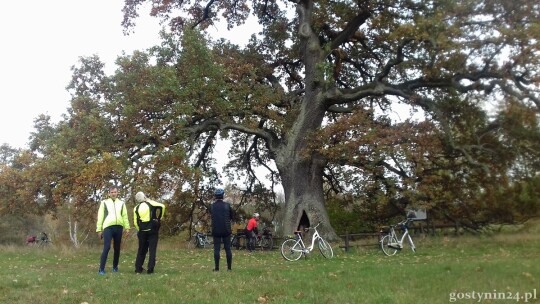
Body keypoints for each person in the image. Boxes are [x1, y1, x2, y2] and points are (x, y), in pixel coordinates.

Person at [96, 186, 130, 275]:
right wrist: (99, 229)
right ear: (109, 193)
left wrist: (127, 227)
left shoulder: (122, 203)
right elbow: (100, 216)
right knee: (107, 247)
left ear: (117, 193)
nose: (113, 194)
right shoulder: (104, 203)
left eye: (115, 192)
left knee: (117, 248)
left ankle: (115, 267)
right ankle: (101, 269)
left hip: (119, 227)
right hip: (108, 227)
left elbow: (125, 216)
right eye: (112, 192)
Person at [133, 191, 165, 274]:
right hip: (152, 230)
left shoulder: (136, 208)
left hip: (142, 231)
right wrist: (159, 218)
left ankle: (138, 268)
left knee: (141, 250)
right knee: (152, 250)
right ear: (144, 197)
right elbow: (162, 206)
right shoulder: (150, 203)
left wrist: (139, 229)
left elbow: (135, 222)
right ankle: (150, 269)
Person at [210, 188, 234, 271]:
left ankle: (217, 268)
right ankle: (229, 268)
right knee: (228, 248)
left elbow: (212, 216)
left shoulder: (212, 206)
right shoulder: (227, 205)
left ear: (215, 196)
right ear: (223, 196)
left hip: (216, 229)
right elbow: (232, 216)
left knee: (217, 249)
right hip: (226, 229)